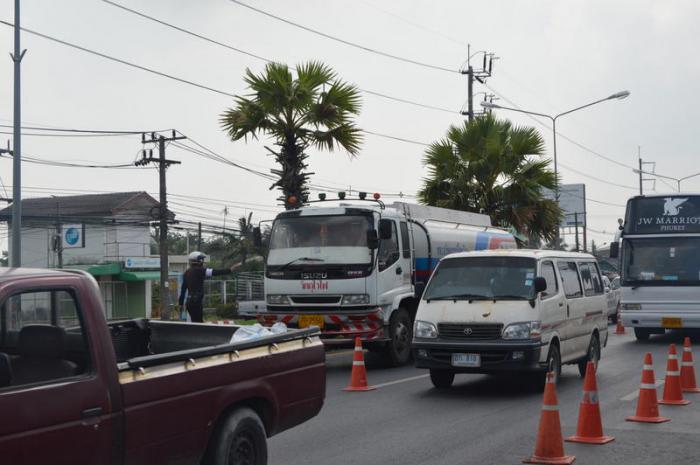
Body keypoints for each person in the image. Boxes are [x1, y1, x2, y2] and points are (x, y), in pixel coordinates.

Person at [178, 251, 235, 323]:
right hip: (197, 301)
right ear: (199, 260)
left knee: (195, 322)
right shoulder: (200, 270)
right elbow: (214, 272)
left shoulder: (187, 272)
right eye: (202, 260)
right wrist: (229, 270)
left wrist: (180, 303)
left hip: (189, 302)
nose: (203, 262)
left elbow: (183, 290)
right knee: (199, 324)